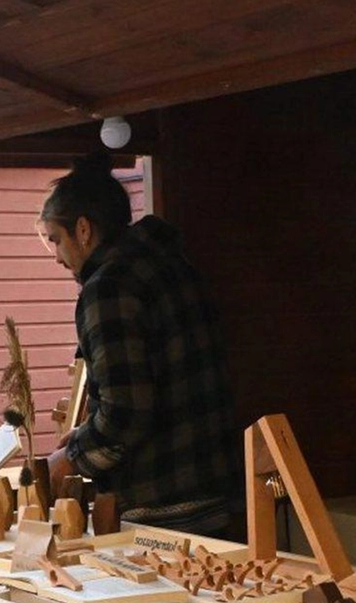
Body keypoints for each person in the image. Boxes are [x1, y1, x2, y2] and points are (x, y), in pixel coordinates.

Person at [38, 154, 237, 535]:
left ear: (83, 229)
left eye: (56, 240)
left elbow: (125, 414)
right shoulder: (172, 264)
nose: (58, 258)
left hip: (163, 504)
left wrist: (70, 458)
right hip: (216, 489)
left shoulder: (109, 288)